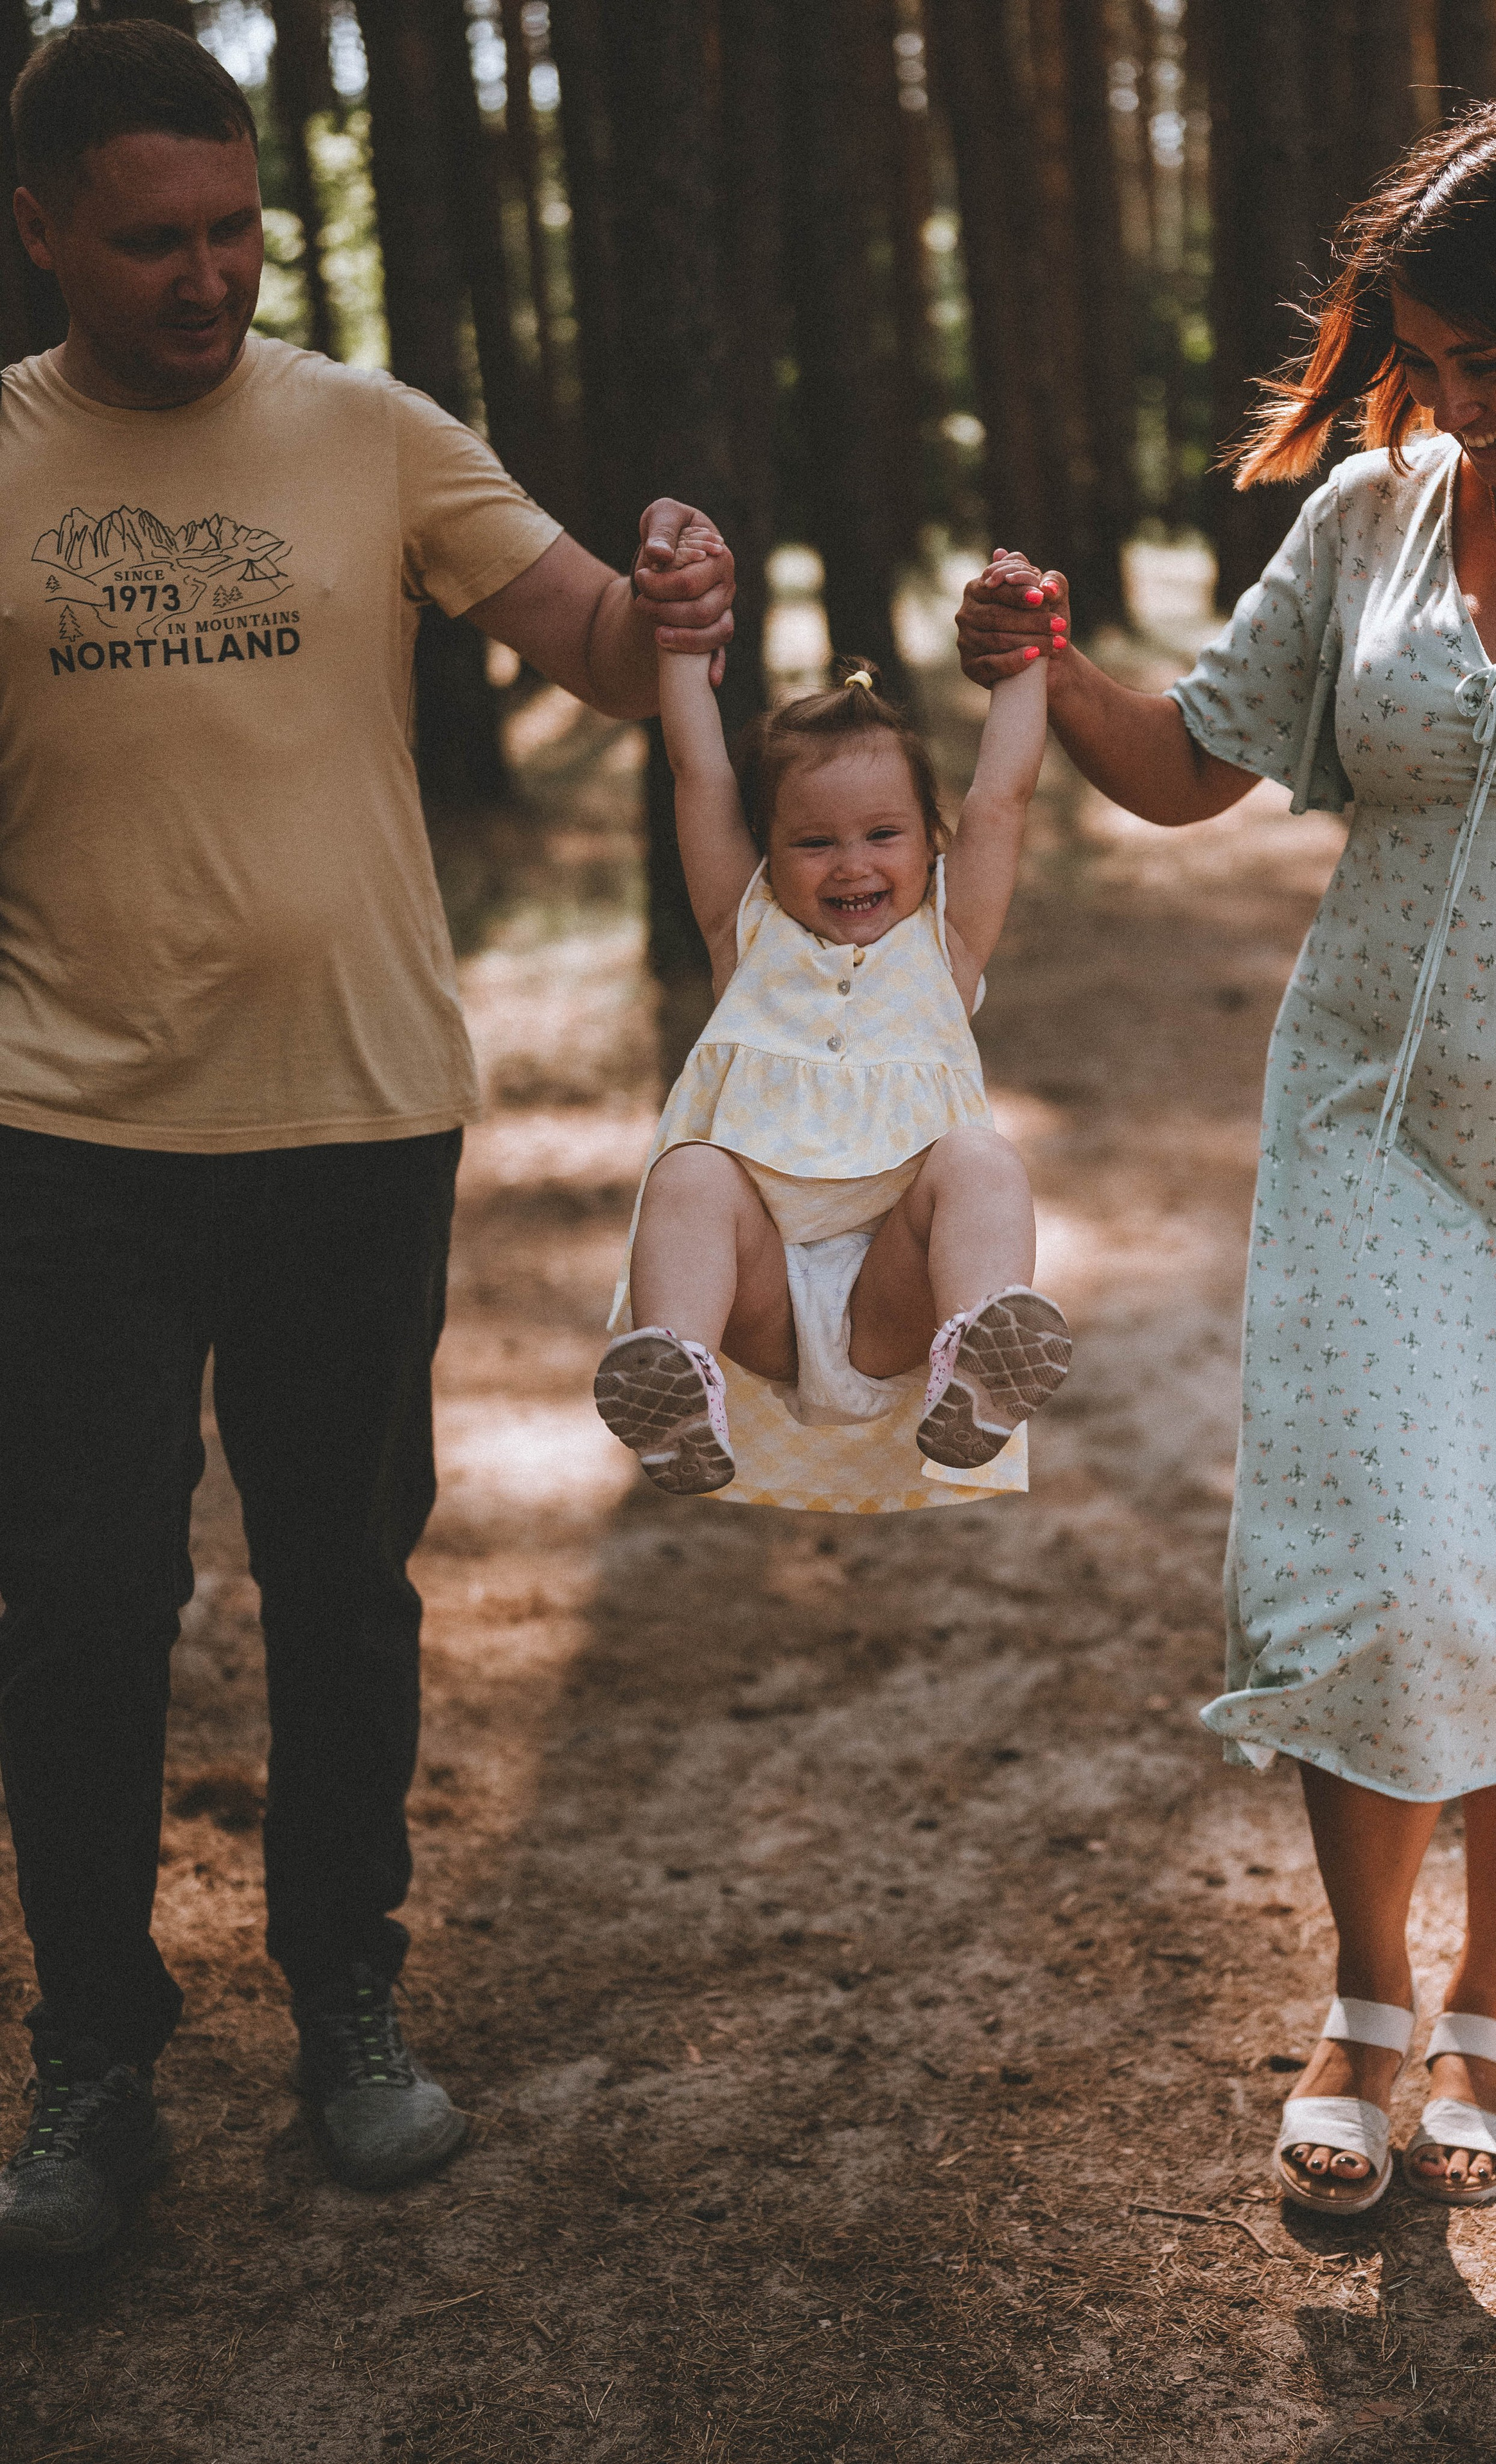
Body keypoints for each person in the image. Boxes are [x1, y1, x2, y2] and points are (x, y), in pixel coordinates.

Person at [0, 22, 734, 2259]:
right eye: (154, 240)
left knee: (341, 1584)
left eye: (235, 229)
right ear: (42, 231)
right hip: (66, 1139)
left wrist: (675, 591)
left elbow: (600, 646)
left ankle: (349, 2001)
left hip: (351, 1122)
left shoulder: (372, 432)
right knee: (86, 1602)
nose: (208, 275)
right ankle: (94, 2065)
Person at [958, 102, 1496, 2213]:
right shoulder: (1375, 521)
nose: (1452, 407)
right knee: (1376, 1554)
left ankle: (1494, 2010)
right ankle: (1364, 1992)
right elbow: (1193, 765)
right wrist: (1043, 668)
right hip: (1365, 1118)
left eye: (1488, 363)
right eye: (1422, 364)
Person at [594, 575, 1070, 1516]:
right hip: (758, 1294)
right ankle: (680, 1388)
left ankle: (976, 1363)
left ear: (930, 846)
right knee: (691, 1172)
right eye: (814, 842)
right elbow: (698, 774)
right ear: (766, 851)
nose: (852, 862)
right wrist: (682, 657)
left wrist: (1025, 663)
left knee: (981, 1158)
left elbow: (1002, 800)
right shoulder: (749, 934)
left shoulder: (946, 945)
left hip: (892, 1304)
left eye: (884, 834)